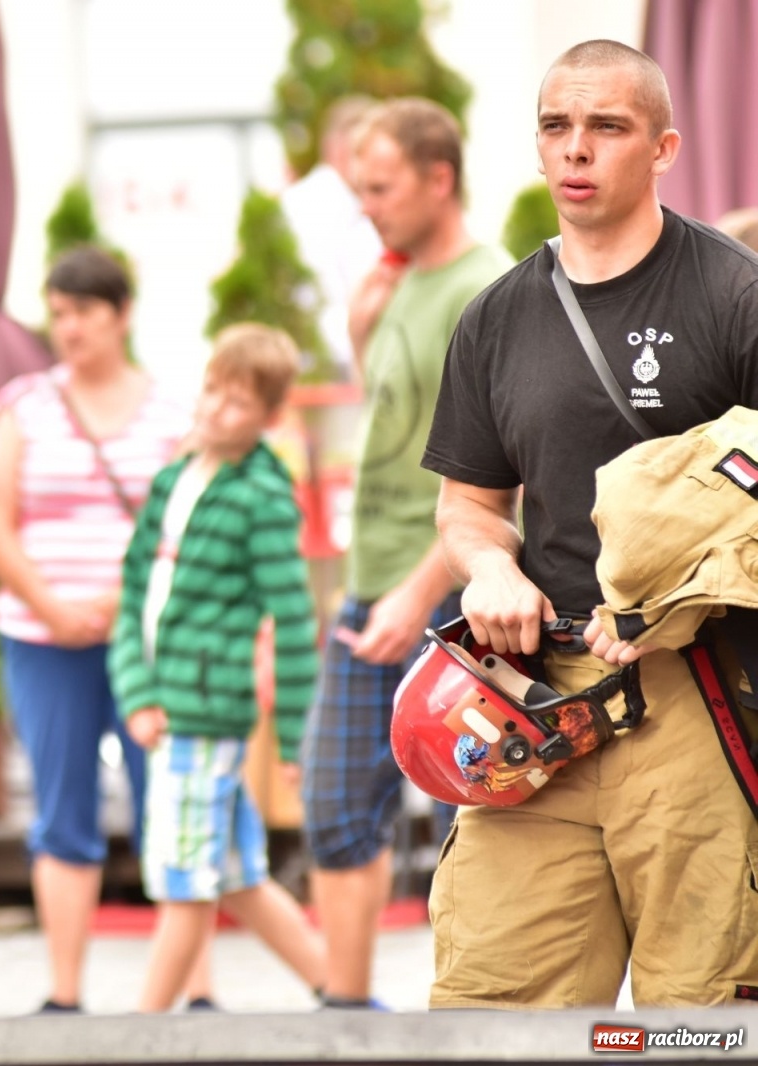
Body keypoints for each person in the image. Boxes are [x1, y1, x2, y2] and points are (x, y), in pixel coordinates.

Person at [424, 40, 758, 1007]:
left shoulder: (734, 296)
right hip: (534, 709)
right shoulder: (495, 317)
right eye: (556, 128)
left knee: (698, 1021)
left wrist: (683, 595)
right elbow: (469, 506)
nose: (576, 150)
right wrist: (489, 569)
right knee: (491, 1011)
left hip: (695, 703)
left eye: (606, 128)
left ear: (662, 147)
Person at [299, 97, 511, 1010]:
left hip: (448, 594)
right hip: (372, 577)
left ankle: (469, 1008)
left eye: (380, 189)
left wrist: (423, 589)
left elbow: (500, 478)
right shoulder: (395, 284)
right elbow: (396, 419)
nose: (367, 208)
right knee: (337, 806)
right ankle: (344, 1015)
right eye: (358, 190)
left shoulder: (487, 286)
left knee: (479, 815)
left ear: (439, 177)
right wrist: (358, 333)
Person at [0, 246, 190, 1013]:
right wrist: (52, 606)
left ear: (121, 314)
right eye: (58, 313)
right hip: (40, 638)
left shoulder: (172, 412)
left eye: (85, 313)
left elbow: (181, 528)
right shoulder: (23, 405)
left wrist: (119, 607)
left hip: (146, 640)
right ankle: (64, 992)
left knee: (169, 799)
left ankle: (189, 988)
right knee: (60, 806)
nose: (69, 329)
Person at [110, 323, 327, 1013]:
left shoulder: (264, 498)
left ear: (268, 418)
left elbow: (295, 623)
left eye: (237, 403)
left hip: (205, 715)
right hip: (167, 706)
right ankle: (340, 993)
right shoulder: (175, 478)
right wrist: (137, 691)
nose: (214, 410)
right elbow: (134, 592)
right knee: (236, 879)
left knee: (185, 885)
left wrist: (295, 740)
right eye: (211, 391)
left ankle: (138, 1034)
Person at [279, 95, 384, 380]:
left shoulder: (353, 203)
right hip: (328, 372)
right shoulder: (309, 207)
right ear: (337, 150)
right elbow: (317, 302)